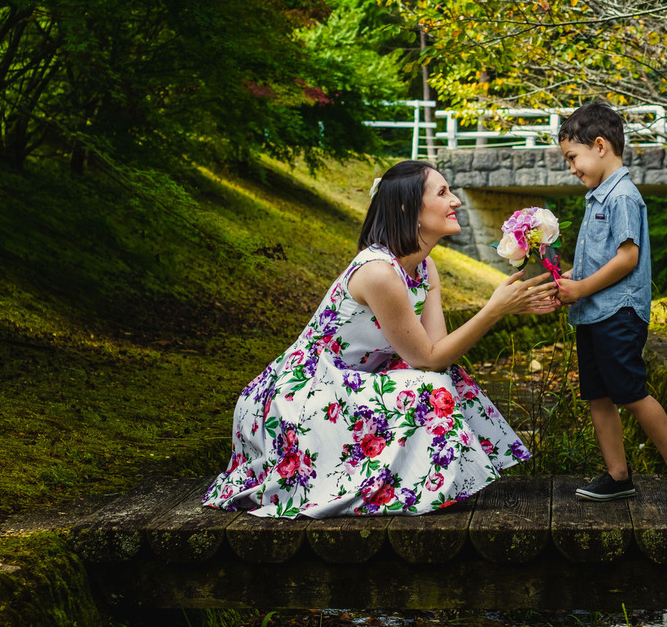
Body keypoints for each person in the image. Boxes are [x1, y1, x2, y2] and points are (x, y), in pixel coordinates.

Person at [203, 161, 556, 518]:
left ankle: (416, 485)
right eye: (442, 192)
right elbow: (427, 358)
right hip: (298, 395)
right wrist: (494, 310)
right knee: (427, 386)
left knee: (446, 380)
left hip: (348, 383)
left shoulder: (424, 266)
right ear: (407, 209)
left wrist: (504, 308)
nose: (456, 201)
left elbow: (438, 354)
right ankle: (399, 490)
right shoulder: (378, 271)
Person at [553, 102, 667, 507]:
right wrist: (571, 278)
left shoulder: (622, 196)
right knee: (598, 395)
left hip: (618, 313)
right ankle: (618, 475)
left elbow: (626, 258)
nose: (572, 168)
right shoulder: (599, 196)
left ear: (599, 145)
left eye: (573, 158)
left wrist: (581, 288)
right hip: (592, 314)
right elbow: (601, 259)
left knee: (630, 392)